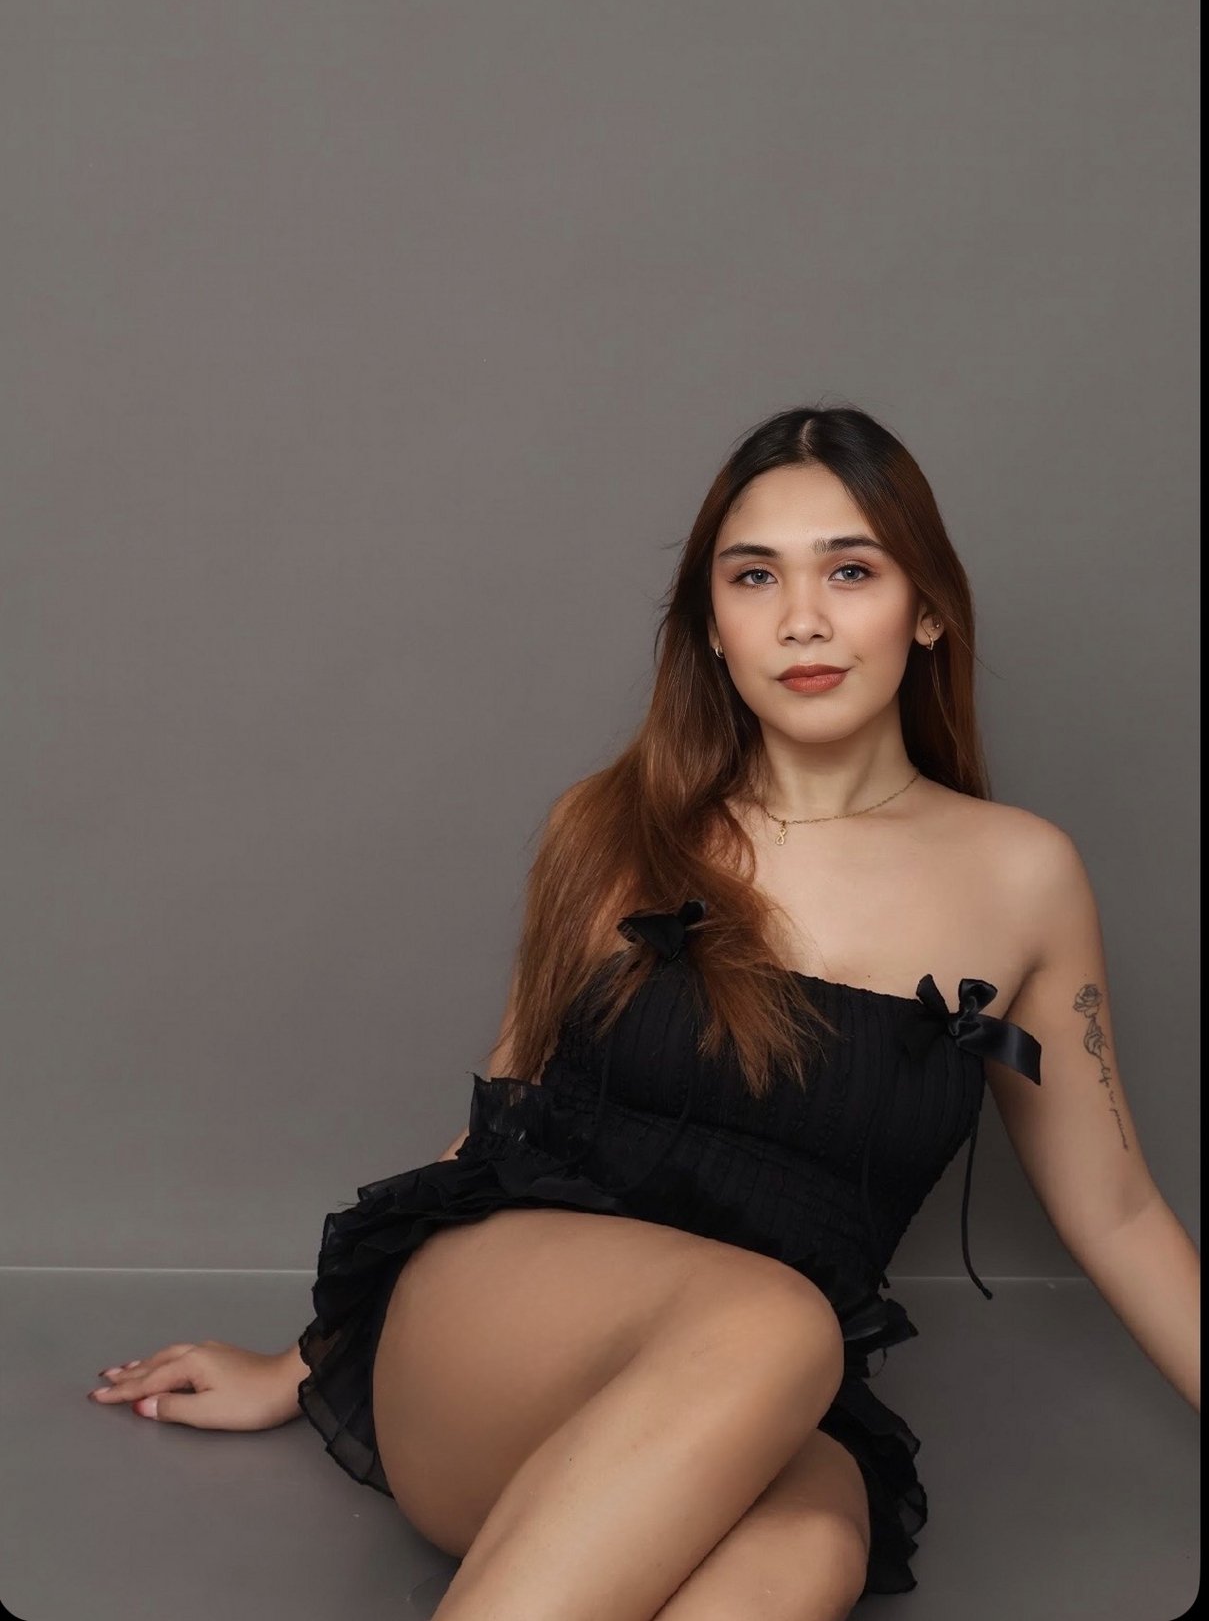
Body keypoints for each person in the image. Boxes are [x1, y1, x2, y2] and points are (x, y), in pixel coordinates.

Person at [88, 405, 1200, 1620]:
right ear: (713, 626)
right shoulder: (614, 832)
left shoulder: (1023, 876)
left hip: (723, 1409)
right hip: (493, 1349)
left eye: (851, 571)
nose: (803, 618)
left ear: (927, 609)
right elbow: (497, 1127)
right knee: (781, 1325)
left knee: (811, 1549)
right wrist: (293, 1368)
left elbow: (1118, 1211)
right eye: (754, 576)